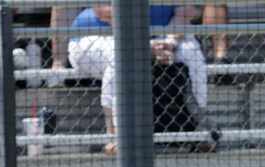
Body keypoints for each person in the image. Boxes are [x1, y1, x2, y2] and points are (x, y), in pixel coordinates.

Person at [68, 5, 209, 154]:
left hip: (158, 34)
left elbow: (185, 12)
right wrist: (143, 45)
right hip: (95, 36)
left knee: (190, 52)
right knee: (121, 55)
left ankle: (201, 128)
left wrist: (170, 43)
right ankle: (115, 135)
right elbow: (104, 12)